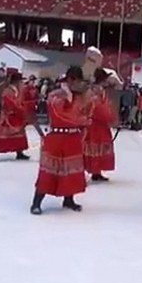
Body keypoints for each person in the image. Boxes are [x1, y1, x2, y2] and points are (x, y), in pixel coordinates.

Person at [31, 66, 91, 215]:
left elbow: (87, 110)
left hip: (73, 138)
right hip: (57, 137)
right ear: (70, 80)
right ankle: (36, 203)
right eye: (77, 80)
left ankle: (68, 199)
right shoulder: (56, 95)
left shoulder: (79, 96)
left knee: (71, 171)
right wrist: (81, 121)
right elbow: (60, 116)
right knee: (49, 171)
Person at [0, 72, 30, 161]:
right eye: (20, 81)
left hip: (16, 115)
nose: (21, 83)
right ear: (16, 81)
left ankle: (19, 152)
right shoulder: (7, 91)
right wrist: (20, 109)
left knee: (19, 134)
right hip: (8, 115)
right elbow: (11, 103)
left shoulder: (17, 90)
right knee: (2, 134)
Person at [83, 68, 117, 182]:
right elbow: (98, 107)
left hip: (98, 123)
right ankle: (95, 170)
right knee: (97, 146)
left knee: (97, 146)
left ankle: (96, 170)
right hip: (96, 124)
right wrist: (109, 117)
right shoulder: (96, 91)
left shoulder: (96, 90)